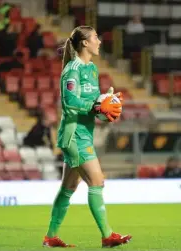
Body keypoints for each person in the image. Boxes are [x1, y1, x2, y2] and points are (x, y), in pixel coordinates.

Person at [42, 26, 131, 248]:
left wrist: (107, 109)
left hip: (84, 134)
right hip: (74, 135)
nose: (99, 41)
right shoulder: (72, 70)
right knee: (97, 181)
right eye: (95, 37)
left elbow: (94, 108)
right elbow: (70, 104)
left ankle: (50, 237)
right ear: (84, 43)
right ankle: (107, 235)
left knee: (68, 188)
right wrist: (97, 105)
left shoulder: (91, 69)